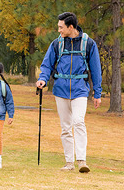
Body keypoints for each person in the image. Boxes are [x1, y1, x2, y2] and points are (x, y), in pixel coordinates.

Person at [36, 12, 102, 173]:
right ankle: (69, 162)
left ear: (70, 27)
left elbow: (96, 70)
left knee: (78, 121)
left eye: (61, 27)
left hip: (80, 90)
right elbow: (46, 65)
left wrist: (97, 93)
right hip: (61, 90)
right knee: (66, 127)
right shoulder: (57, 44)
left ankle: (81, 161)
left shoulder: (89, 44)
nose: (58, 30)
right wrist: (43, 79)